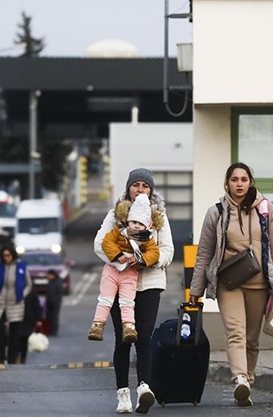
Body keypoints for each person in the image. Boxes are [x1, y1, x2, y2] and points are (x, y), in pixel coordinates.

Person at [189, 162, 273, 407]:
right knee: (235, 333)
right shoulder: (216, 212)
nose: (239, 184)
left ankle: (248, 379)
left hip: (260, 285)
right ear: (227, 183)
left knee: (252, 339)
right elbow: (204, 253)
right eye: (234, 179)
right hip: (229, 284)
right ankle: (240, 380)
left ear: (250, 182)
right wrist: (196, 290)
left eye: (244, 179)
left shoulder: (267, 211)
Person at [94, 168, 174, 414]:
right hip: (120, 285)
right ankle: (122, 394)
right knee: (123, 340)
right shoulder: (115, 215)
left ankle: (144, 389)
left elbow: (167, 250)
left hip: (149, 283)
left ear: (151, 190)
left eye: (145, 186)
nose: (141, 189)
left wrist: (145, 260)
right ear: (129, 188)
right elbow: (99, 244)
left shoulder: (158, 217)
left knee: (144, 338)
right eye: (136, 185)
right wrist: (122, 260)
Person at [89, 193, 161, 344]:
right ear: (128, 221)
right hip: (111, 271)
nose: (136, 226)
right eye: (133, 221)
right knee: (105, 299)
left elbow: (155, 253)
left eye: (140, 224)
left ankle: (129, 327)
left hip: (130, 273)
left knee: (127, 301)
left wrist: (140, 260)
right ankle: (97, 325)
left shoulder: (147, 240)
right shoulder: (119, 232)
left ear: (146, 226)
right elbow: (106, 242)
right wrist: (117, 255)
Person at [0, 245, 33, 365]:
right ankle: (0, 358)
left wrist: (21, 295)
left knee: (14, 334)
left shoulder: (21, 267)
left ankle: (12, 359)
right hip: (0, 303)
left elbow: (28, 284)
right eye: (4, 256)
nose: (6, 258)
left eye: (8, 255)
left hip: (16, 304)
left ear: (12, 255)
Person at [18, 287, 43, 364]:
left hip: (27, 319)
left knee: (24, 339)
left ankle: (22, 357)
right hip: (18, 318)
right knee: (19, 339)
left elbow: (36, 305)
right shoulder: (30, 290)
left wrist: (38, 319)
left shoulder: (31, 291)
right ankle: (20, 357)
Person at [44, 269, 63, 336]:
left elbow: (58, 293)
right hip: (49, 302)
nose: (48, 276)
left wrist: (54, 300)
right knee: (49, 317)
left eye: (49, 275)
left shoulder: (57, 282)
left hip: (55, 303)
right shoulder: (50, 282)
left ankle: (54, 331)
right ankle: (49, 330)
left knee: (54, 317)